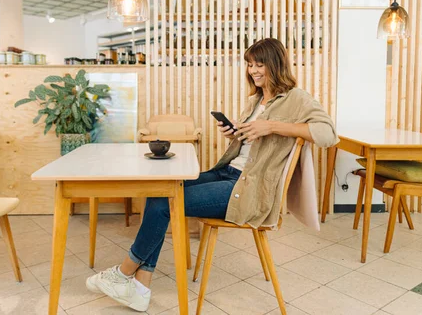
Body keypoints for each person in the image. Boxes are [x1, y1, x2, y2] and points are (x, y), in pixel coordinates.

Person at [85, 38, 338, 311]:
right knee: (159, 191)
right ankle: (140, 284)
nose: (253, 71)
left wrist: (272, 126)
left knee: (165, 201)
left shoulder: (297, 99)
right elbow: (253, 146)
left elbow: (328, 134)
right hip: (228, 173)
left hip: (248, 188)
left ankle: (125, 274)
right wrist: (237, 134)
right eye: (250, 65)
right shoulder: (256, 100)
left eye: (259, 64)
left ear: (275, 64)